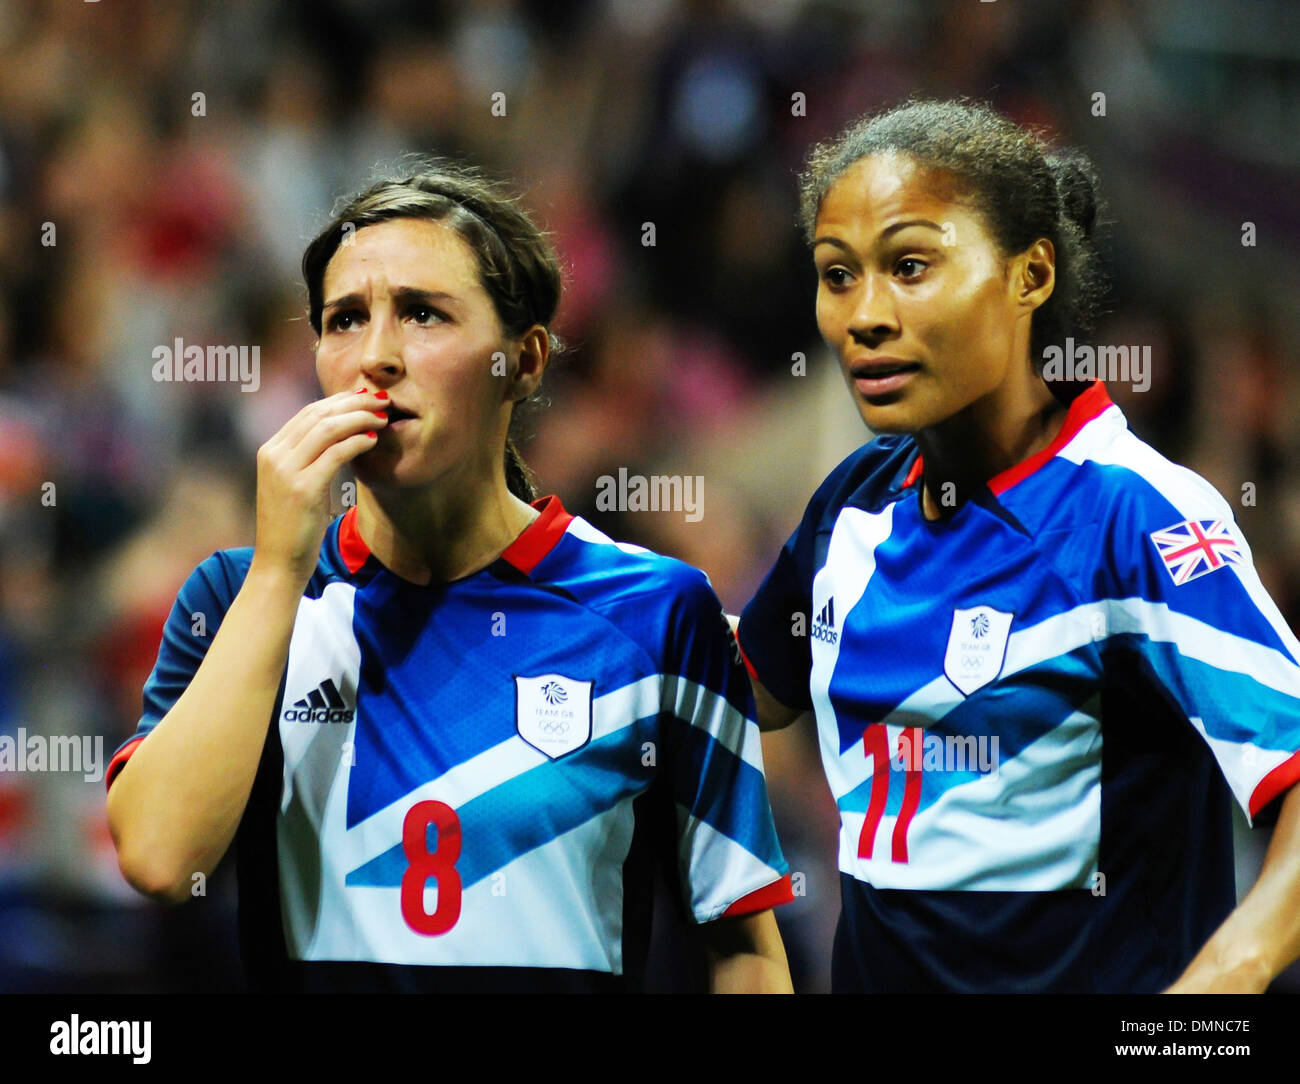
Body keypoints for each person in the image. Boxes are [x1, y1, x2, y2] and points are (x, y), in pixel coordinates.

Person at [106, 159, 794, 993]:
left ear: (526, 359)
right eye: (344, 320)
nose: (376, 358)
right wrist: (283, 567)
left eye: (424, 314)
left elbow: (744, 951)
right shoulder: (238, 600)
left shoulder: (655, 613)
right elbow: (159, 859)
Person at [735, 99, 1300, 993]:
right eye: (837, 274)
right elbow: (740, 688)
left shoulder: (1134, 517)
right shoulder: (853, 504)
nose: (864, 315)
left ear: (1030, 273)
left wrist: (1230, 976)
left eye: (911, 265)